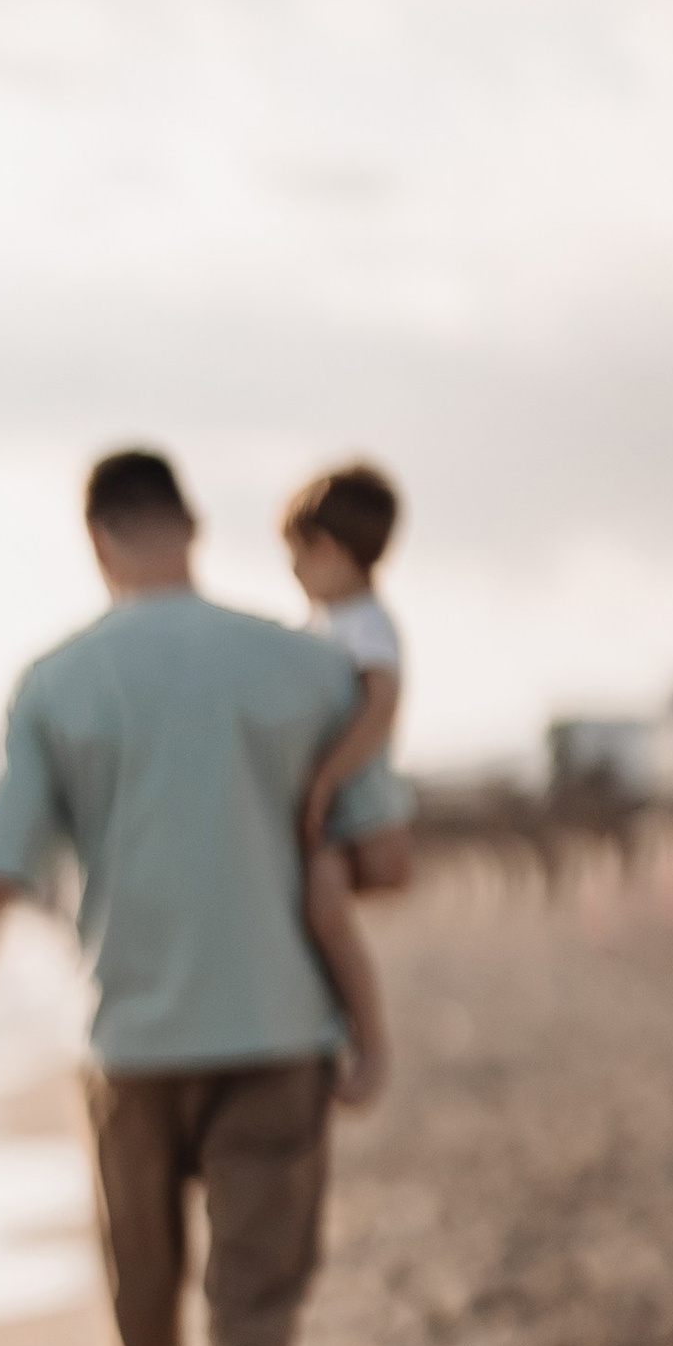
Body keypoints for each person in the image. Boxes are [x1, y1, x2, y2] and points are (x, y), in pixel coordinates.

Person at [0, 446, 410, 1346]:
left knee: (143, 1339)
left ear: (96, 543)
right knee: (252, 1324)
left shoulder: (55, 681)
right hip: (280, 1042)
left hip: (128, 1054)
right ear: (191, 527)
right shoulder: (310, 668)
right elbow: (384, 856)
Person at [281, 462, 408, 1109]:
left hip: (356, 804)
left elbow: (381, 703)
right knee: (305, 910)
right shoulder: (333, 623)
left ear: (326, 551)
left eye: (296, 558)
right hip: (331, 800)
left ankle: (373, 1042)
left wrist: (325, 779)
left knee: (326, 907)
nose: (294, 574)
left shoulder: (362, 623)